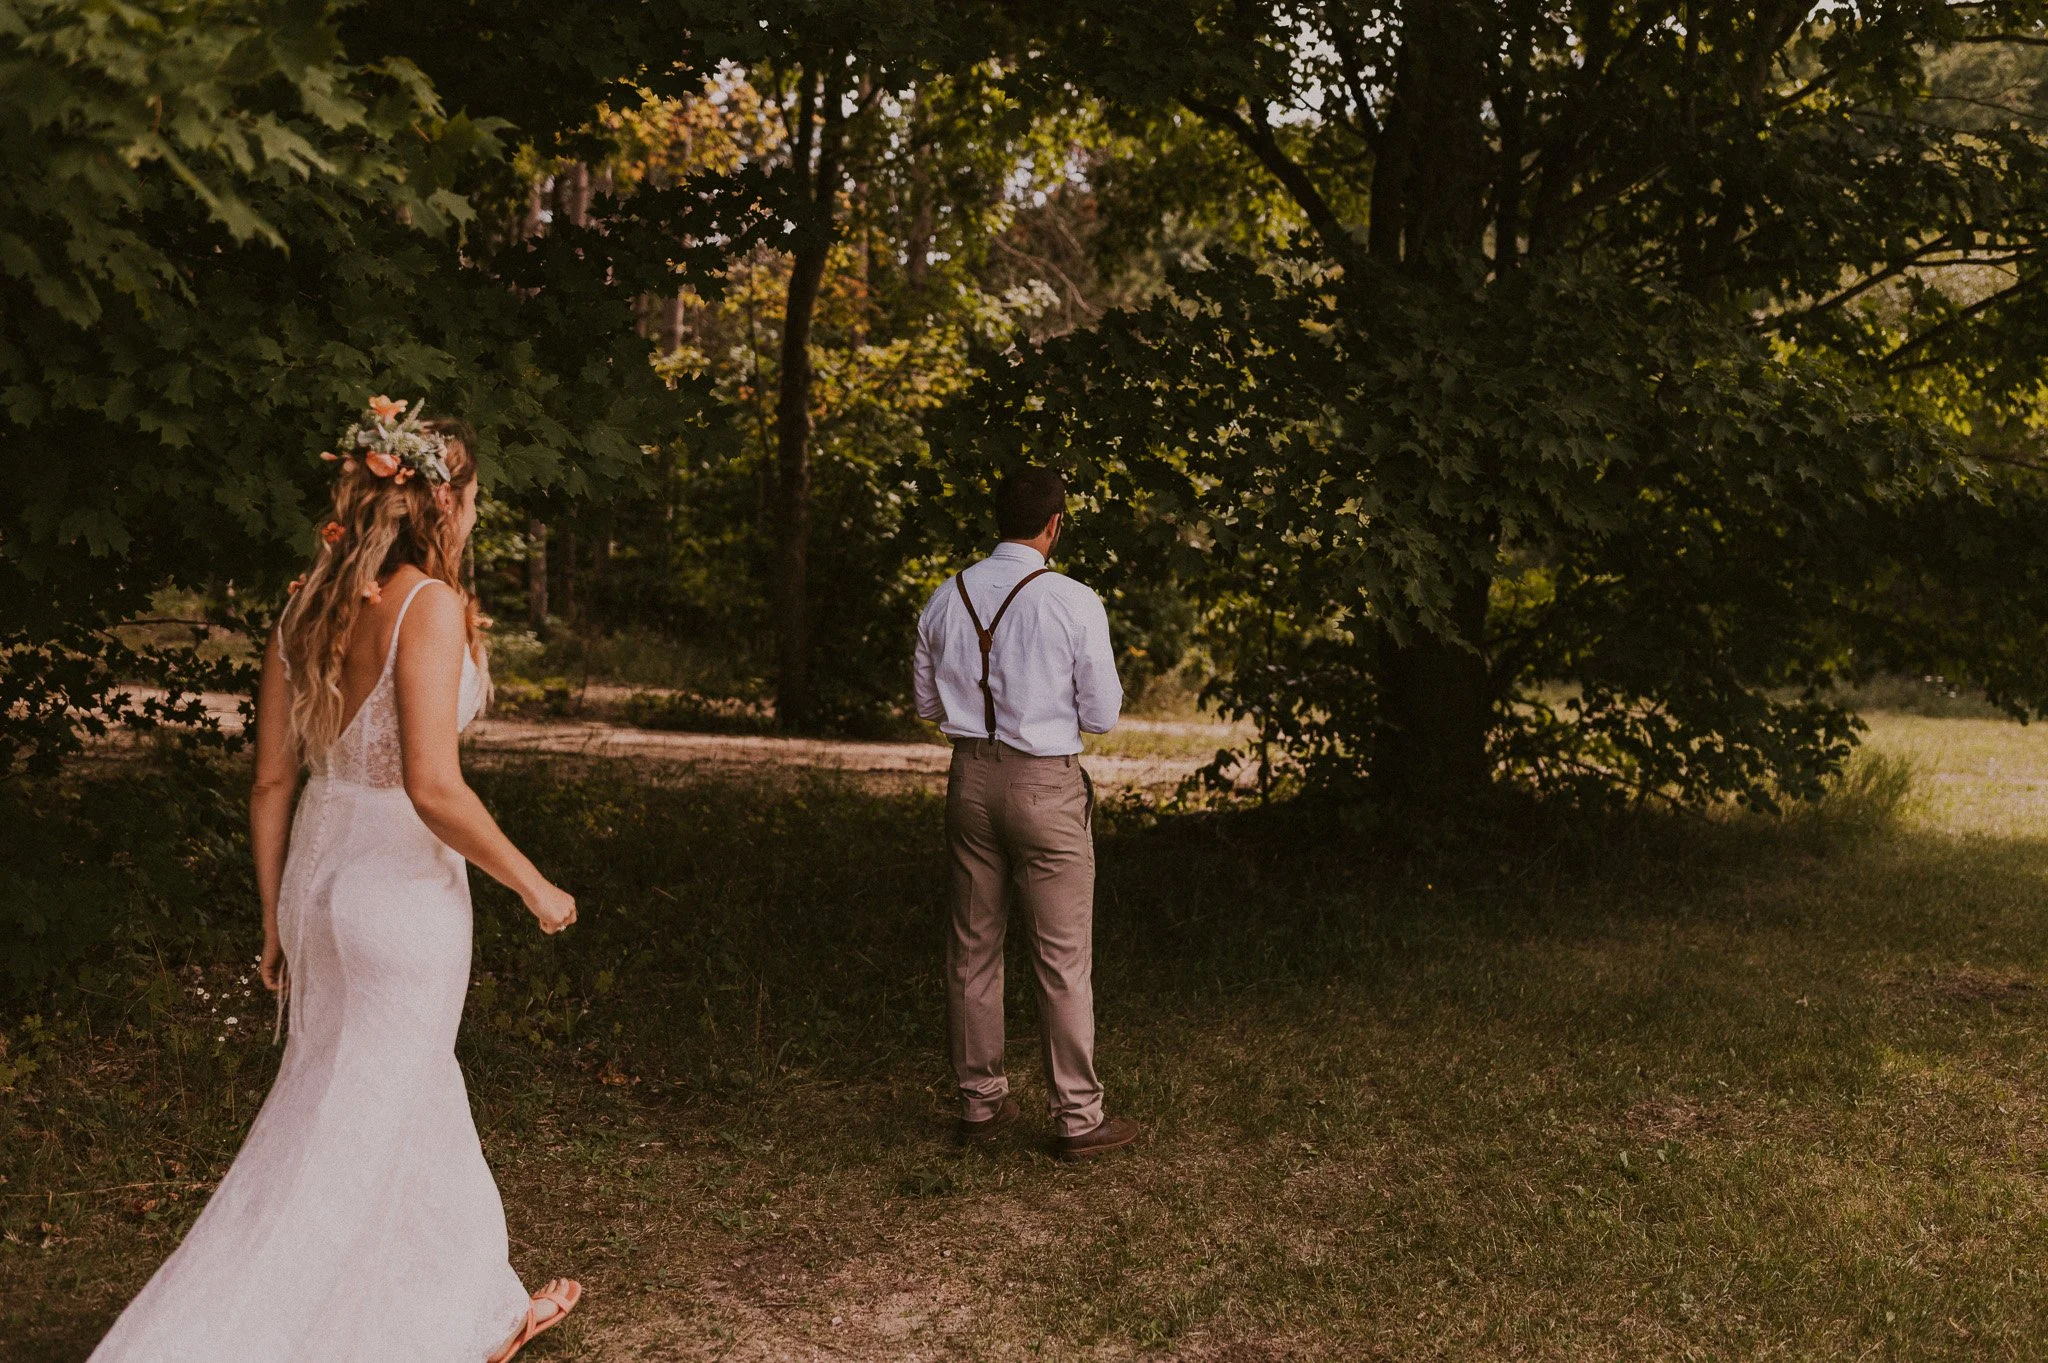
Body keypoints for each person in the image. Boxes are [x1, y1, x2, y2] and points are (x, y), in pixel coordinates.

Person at [90, 397, 582, 1363]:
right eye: (473, 498)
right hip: (399, 889)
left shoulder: (304, 606)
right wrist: (533, 883)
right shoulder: (429, 608)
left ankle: (469, 1297)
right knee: (363, 1111)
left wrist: (274, 915)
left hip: (319, 880)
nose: (475, 516)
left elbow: (272, 779)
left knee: (373, 1094)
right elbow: (432, 786)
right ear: (443, 502)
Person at [913, 465, 1139, 1159]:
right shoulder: (1074, 601)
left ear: (997, 519)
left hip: (971, 780)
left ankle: (980, 1105)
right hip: (1045, 785)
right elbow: (1101, 715)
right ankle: (1077, 1117)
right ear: (1054, 524)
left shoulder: (945, 598)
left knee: (972, 947)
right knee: (1062, 956)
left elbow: (927, 707)